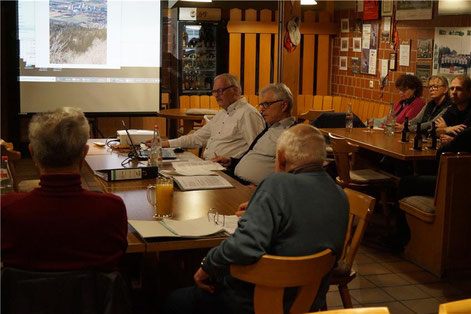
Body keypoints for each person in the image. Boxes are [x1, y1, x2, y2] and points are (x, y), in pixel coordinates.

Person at [164, 124, 349, 314]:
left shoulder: (278, 183)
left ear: (282, 157)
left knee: (174, 299)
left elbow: (245, 246)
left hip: (258, 301)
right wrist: (259, 211)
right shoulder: (339, 194)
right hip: (307, 303)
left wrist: (207, 265)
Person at [1, 107, 128, 271]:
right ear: (84, 153)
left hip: (25, 297)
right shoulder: (111, 208)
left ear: (32, 153)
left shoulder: (7, 210)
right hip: (95, 296)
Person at [162, 73, 265, 160]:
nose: (216, 95)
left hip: (227, 171)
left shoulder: (248, 114)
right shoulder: (221, 114)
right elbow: (196, 138)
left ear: (235, 91)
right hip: (209, 165)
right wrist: (165, 143)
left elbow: (258, 151)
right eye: (214, 92)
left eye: (220, 91)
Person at [211, 83, 296, 185]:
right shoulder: (268, 129)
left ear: (283, 105)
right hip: (234, 178)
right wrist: (231, 161)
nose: (261, 109)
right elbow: (254, 158)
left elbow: (294, 176)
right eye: (261, 105)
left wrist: (264, 188)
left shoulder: (295, 135)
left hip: (254, 189)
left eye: (266, 105)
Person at [435, 74, 471, 142]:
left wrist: (453, 140)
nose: (454, 92)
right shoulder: (452, 109)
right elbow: (434, 131)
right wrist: (447, 129)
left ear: (469, 92)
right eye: (452, 89)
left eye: (459, 89)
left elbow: (466, 137)